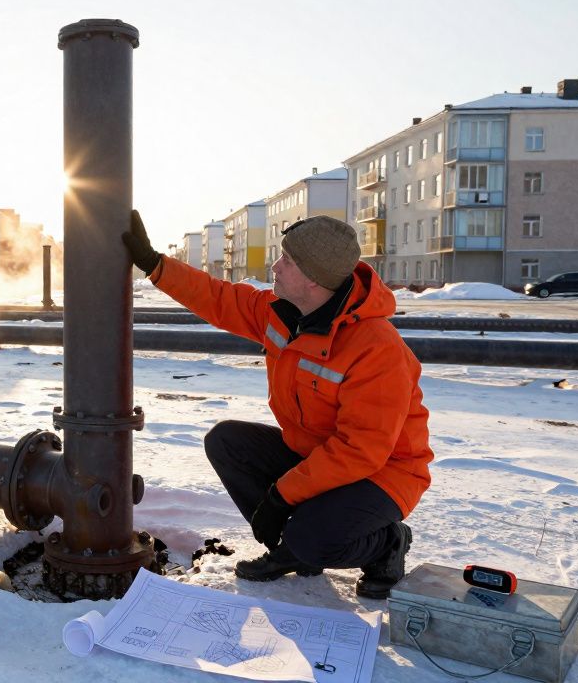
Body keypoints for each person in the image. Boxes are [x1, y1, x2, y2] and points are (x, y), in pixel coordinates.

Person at [123, 212, 432, 599]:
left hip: (383, 474)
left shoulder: (377, 349)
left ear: (313, 278)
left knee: (312, 538)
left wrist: (282, 495)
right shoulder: (284, 311)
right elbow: (219, 298)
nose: (276, 267)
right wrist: (154, 264)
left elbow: (360, 451)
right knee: (227, 441)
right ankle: (293, 547)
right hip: (316, 454)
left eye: (287, 260)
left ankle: (386, 543)